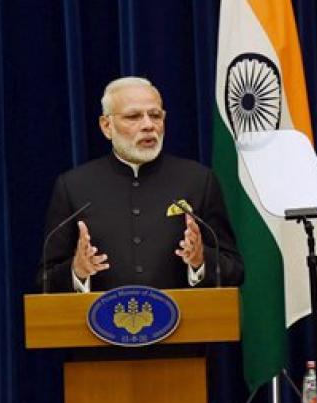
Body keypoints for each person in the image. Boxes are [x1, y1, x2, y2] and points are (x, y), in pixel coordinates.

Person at [38, 77, 244, 292]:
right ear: (106, 126)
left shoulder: (198, 180)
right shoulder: (74, 186)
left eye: (155, 115)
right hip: (99, 322)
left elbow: (235, 270)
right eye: (133, 116)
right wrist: (77, 271)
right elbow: (44, 280)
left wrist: (200, 261)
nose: (148, 125)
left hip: (184, 321)